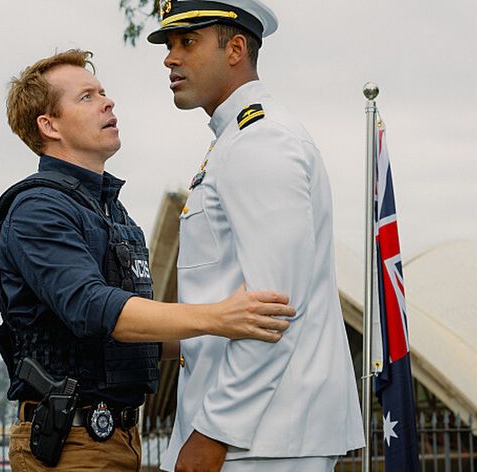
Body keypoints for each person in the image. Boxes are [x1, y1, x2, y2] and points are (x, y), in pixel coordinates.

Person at [0, 49, 296, 471]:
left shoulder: (109, 211)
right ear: (49, 125)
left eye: (103, 92)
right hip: (71, 445)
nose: (107, 102)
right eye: (86, 97)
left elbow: (131, 337)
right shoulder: (38, 210)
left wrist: (236, 329)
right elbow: (93, 308)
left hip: (116, 438)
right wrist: (217, 317)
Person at [146, 1, 365, 471]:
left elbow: (274, 306)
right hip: (257, 432)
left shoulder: (260, 140)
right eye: (168, 45)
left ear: (236, 49)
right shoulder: (235, 140)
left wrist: (213, 431)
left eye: (187, 42)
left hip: (262, 438)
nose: (170, 57)